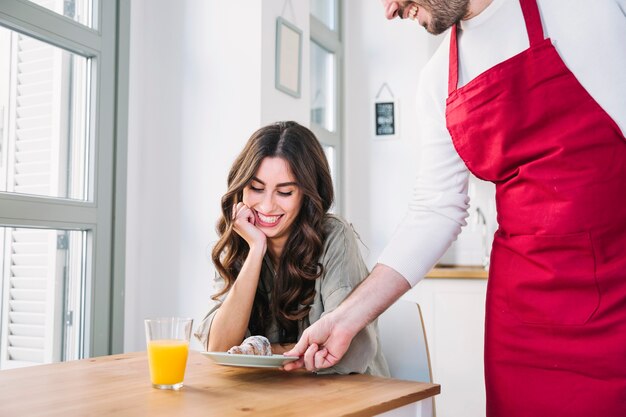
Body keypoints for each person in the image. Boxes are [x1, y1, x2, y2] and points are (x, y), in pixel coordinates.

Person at [285, 0, 626, 415]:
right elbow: (435, 209)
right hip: (522, 315)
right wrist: (344, 319)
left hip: (616, 287)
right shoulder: (437, 82)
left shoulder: (585, 11)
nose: (391, 10)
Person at [195, 121, 389, 377]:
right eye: (256, 188)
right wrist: (256, 250)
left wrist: (263, 349)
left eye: (284, 192)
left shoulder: (334, 235)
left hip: (347, 395)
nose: (266, 206)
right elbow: (219, 348)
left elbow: (346, 352)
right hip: (270, 397)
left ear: (307, 194)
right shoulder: (240, 239)